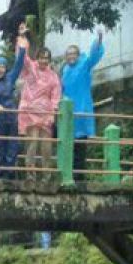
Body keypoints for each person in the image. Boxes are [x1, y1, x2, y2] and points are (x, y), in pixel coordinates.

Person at [61, 29, 105, 180]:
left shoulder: (84, 65)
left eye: (73, 53)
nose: (71, 56)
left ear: (78, 55)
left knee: (80, 147)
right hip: (68, 113)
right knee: (67, 147)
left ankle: (79, 179)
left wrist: (98, 40)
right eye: (68, 54)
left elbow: (94, 56)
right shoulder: (65, 70)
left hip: (82, 110)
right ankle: (68, 177)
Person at [17, 30, 61, 180]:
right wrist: (22, 38)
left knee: (47, 146)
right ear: (38, 58)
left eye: (46, 59)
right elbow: (23, 58)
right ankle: (30, 173)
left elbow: (56, 95)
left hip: (46, 114)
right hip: (30, 112)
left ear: (49, 60)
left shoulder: (53, 76)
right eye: (41, 58)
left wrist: (53, 111)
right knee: (32, 144)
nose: (43, 61)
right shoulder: (31, 67)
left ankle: (47, 175)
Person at [0, 43, 26, 179]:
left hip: (11, 118)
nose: (1, 69)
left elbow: (19, 65)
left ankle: (10, 174)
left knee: (12, 146)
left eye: (3, 66)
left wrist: (23, 47)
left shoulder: (10, 78)